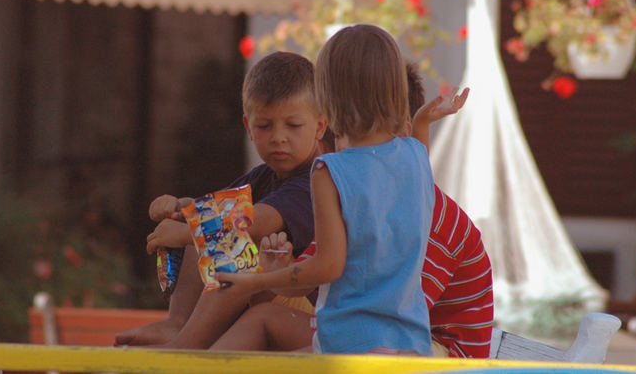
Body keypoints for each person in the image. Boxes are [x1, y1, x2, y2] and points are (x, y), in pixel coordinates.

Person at [210, 61, 493, 358]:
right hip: (372, 333)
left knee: (328, 358)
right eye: (340, 136)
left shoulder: (432, 217)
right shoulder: (352, 200)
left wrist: (261, 279)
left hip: (435, 348)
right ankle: (189, 362)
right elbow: (317, 279)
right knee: (263, 319)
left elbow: (394, 313)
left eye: (354, 140)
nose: (339, 151)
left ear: (400, 141)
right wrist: (281, 266)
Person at [114, 51, 326, 347]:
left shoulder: (319, 179)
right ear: (248, 127)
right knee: (197, 212)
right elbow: (210, 210)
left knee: (232, 245)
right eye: (265, 126)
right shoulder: (262, 176)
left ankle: (183, 347)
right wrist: (178, 209)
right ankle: (178, 323)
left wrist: (188, 231)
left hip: (306, 310)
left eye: (293, 125)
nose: (279, 137)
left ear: (320, 125)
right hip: (266, 298)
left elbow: (250, 223)